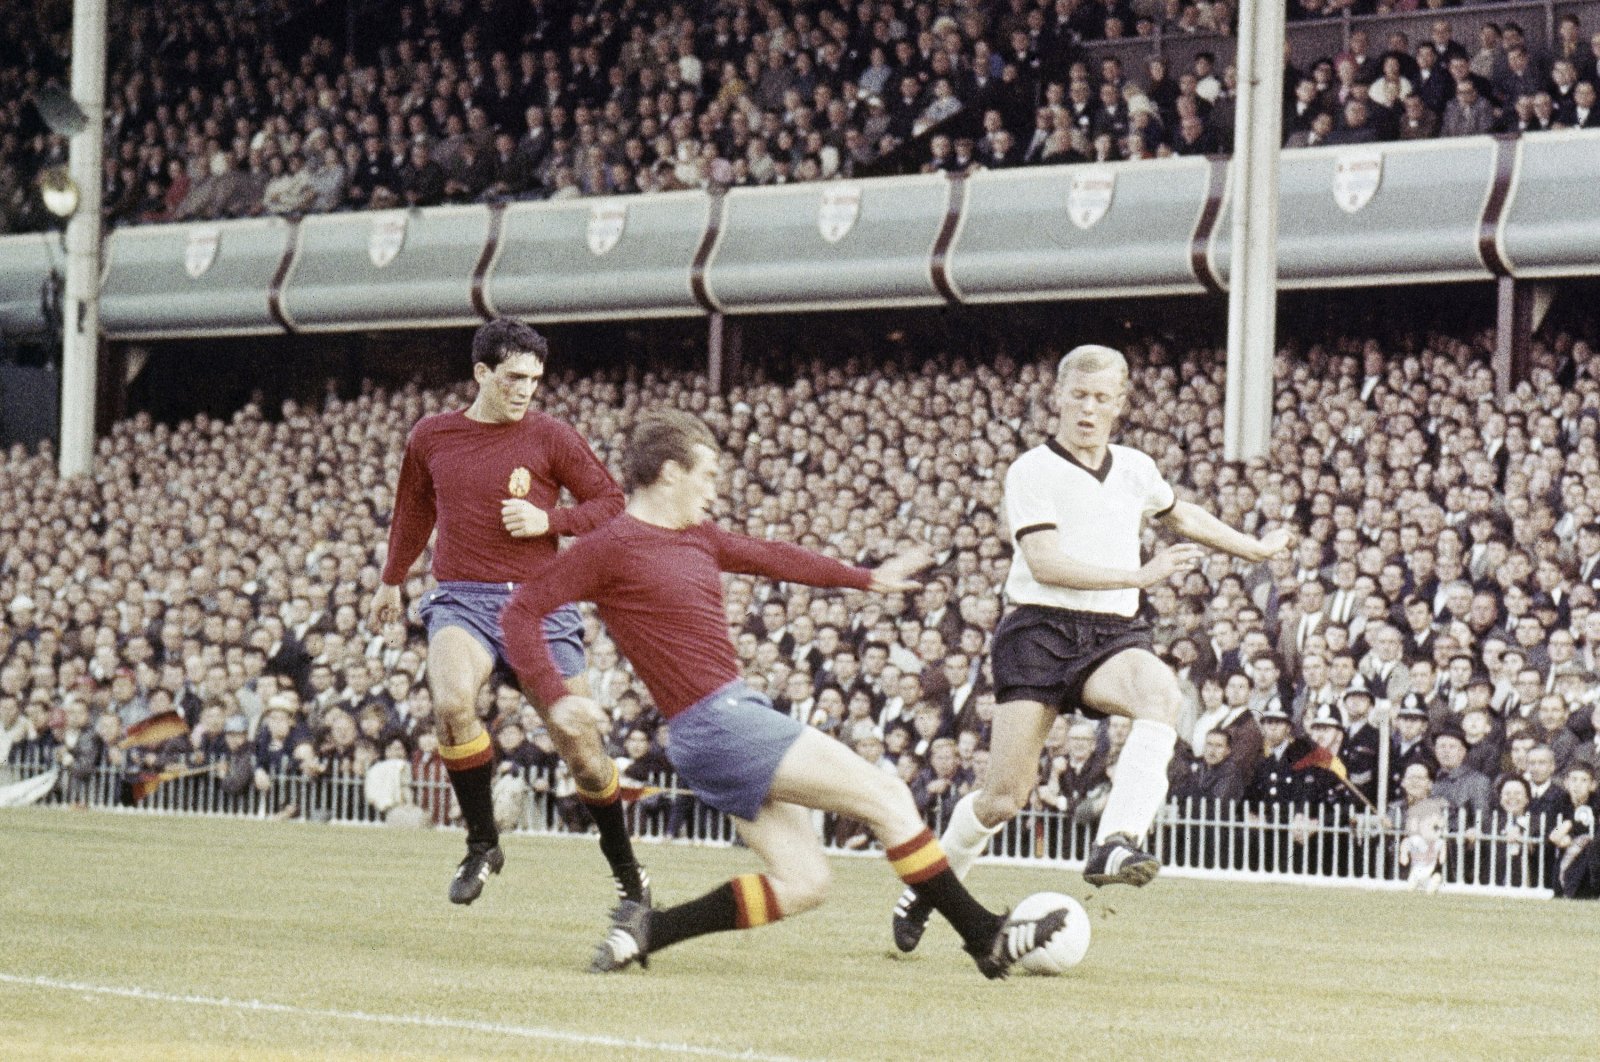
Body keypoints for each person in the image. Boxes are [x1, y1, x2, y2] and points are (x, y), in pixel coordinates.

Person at [502, 410, 1068, 979]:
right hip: (720, 721)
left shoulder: (697, 536)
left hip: (712, 730)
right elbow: (520, 611)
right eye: (708, 475)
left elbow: (774, 556)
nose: (714, 491)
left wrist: (863, 577)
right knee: (887, 796)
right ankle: (986, 937)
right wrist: (556, 696)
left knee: (805, 883)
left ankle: (650, 929)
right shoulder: (610, 545)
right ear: (671, 472)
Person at [891, 343, 1291, 953]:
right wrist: (1137, 575)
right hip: (1039, 631)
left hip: (1110, 634)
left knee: (1161, 692)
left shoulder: (1134, 466)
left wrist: (1254, 549)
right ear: (1057, 398)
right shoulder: (1032, 471)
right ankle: (927, 887)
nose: (1088, 408)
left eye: (1102, 398)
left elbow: (1180, 515)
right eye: (1078, 395)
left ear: (1120, 405)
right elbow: (1045, 562)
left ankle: (1116, 840)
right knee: (1003, 797)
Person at [367, 318, 647, 907]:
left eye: (534, 380)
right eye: (514, 378)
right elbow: (413, 510)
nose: (525, 390)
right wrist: (391, 580)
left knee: (584, 755)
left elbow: (611, 504)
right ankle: (482, 843)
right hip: (462, 598)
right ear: (482, 373)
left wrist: (553, 521)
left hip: (538, 604)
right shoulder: (432, 437)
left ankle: (629, 874)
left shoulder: (552, 437)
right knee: (449, 705)